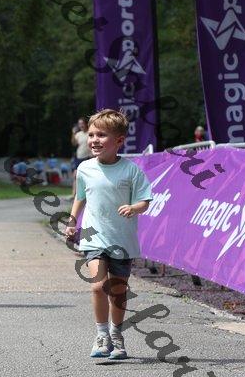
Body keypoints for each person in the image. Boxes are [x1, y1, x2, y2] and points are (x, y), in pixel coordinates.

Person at [65, 109, 152, 360]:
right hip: (93, 236)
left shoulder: (131, 170)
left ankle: (116, 334)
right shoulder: (85, 168)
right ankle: (102, 335)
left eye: (101, 135)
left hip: (122, 240)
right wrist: (72, 221)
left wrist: (134, 208)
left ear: (119, 140)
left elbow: (145, 200)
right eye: (92, 134)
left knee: (118, 291)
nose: (94, 140)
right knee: (97, 286)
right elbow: (80, 197)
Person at [71, 118, 92, 199]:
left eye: (82, 123)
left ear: (86, 124)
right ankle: (74, 195)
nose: (80, 125)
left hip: (89, 157)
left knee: (88, 176)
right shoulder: (78, 134)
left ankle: (87, 195)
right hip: (79, 157)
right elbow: (74, 143)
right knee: (76, 175)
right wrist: (73, 133)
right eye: (79, 124)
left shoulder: (90, 133)